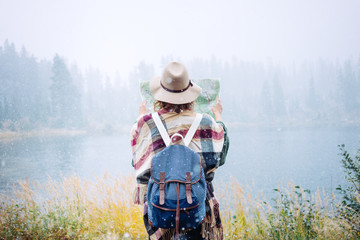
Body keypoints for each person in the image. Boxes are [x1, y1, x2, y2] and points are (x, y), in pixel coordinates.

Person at [130, 62, 229, 240]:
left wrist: (141, 118)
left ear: (159, 96)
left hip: (160, 208)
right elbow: (219, 158)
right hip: (198, 207)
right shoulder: (206, 122)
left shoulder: (145, 124)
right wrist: (219, 117)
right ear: (190, 96)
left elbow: (139, 166)